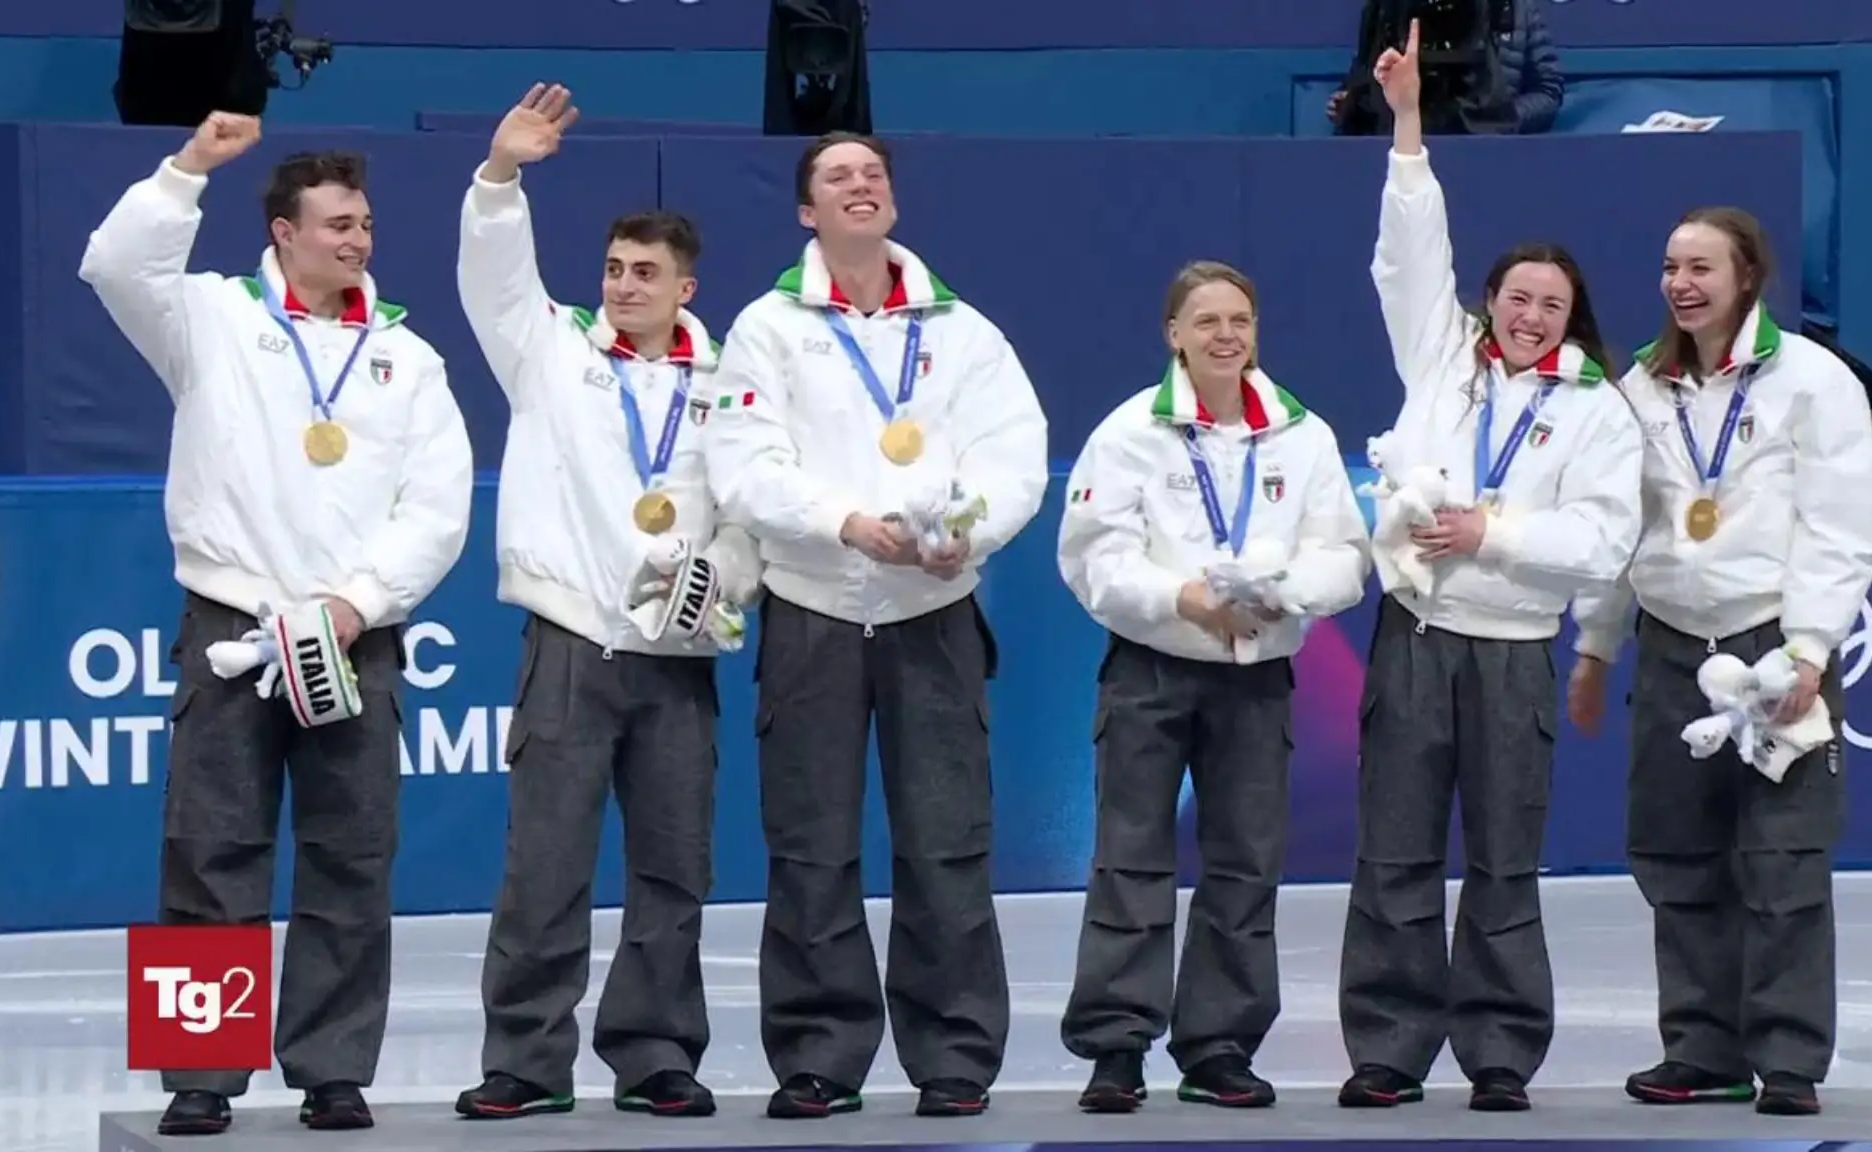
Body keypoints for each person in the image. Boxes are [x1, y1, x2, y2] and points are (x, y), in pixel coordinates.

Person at [78, 113, 473, 1136]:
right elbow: (113, 265)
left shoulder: (407, 358)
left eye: (366, 224)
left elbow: (437, 508)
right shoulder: (209, 319)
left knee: (351, 857)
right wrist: (187, 170)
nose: (358, 241)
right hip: (233, 628)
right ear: (283, 233)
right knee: (208, 851)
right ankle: (199, 1074)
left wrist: (358, 603)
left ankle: (333, 1071)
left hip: (353, 638)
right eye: (338, 224)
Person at [702, 131, 1049, 1120]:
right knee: (810, 845)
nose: (860, 185)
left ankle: (954, 1056)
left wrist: (965, 533)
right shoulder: (767, 328)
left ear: (891, 200)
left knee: (947, 842)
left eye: (873, 174)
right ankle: (819, 1055)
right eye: (836, 177)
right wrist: (843, 523)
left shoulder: (962, 330)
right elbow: (744, 464)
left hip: (932, 611)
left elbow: (1013, 455)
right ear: (806, 212)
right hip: (813, 610)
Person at [1337, 21, 1643, 1112]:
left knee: (1506, 858)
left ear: (1570, 320)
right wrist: (1407, 126)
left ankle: (1500, 1052)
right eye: (1515, 297)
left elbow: (1603, 541)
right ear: (1490, 301)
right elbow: (1407, 254)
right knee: (1394, 850)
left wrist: (1491, 535)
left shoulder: (1597, 410)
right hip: (1415, 640)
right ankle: (1386, 1049)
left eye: (1549, 305)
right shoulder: (1441, 358)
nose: (1528, 316)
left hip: (1513, 654)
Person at [450, 84, 765, 1122]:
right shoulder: (551, 352)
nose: (624, 286)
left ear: (686, 286)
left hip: (679, 655)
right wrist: (502, 176)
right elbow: (495, 280)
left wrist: (718, 584)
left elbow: (751, 510)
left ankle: (657, 1052)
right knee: (544, 863)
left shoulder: (731, 383)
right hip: (573, 640)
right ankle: (525, 1060)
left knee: (674, 869)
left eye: (645, 273)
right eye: (615, 269)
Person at [1567, 207, 1872, 1118]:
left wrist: (1810, 648)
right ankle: (1703, 1049)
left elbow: (1840, 523)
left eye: (1701, 266)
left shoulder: (1812, 380)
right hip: (1672, 649)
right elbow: (1622, 528)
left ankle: (1787, 1058)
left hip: (1773, 647)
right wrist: (1596, 645)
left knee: (1783, 860)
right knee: (1678, 855)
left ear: (1748, 276)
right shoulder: (1640, 388)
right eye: (1671, 266)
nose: (1681, 283)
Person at [1055, 261, 1373, 1112]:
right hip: (1151, 672)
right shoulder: (1130, 433)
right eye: (1206, 322)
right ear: (1174, 335)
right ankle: (1117, 1045)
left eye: (1239, 320)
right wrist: (1184, 599)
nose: (1225, 336)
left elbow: (1345, 555)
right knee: (1130, 857)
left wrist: (1287, 593)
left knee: (1244, 862)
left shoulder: (1302, 435)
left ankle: (1220, 1047)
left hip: (1257, 678)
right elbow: (1092, 559)